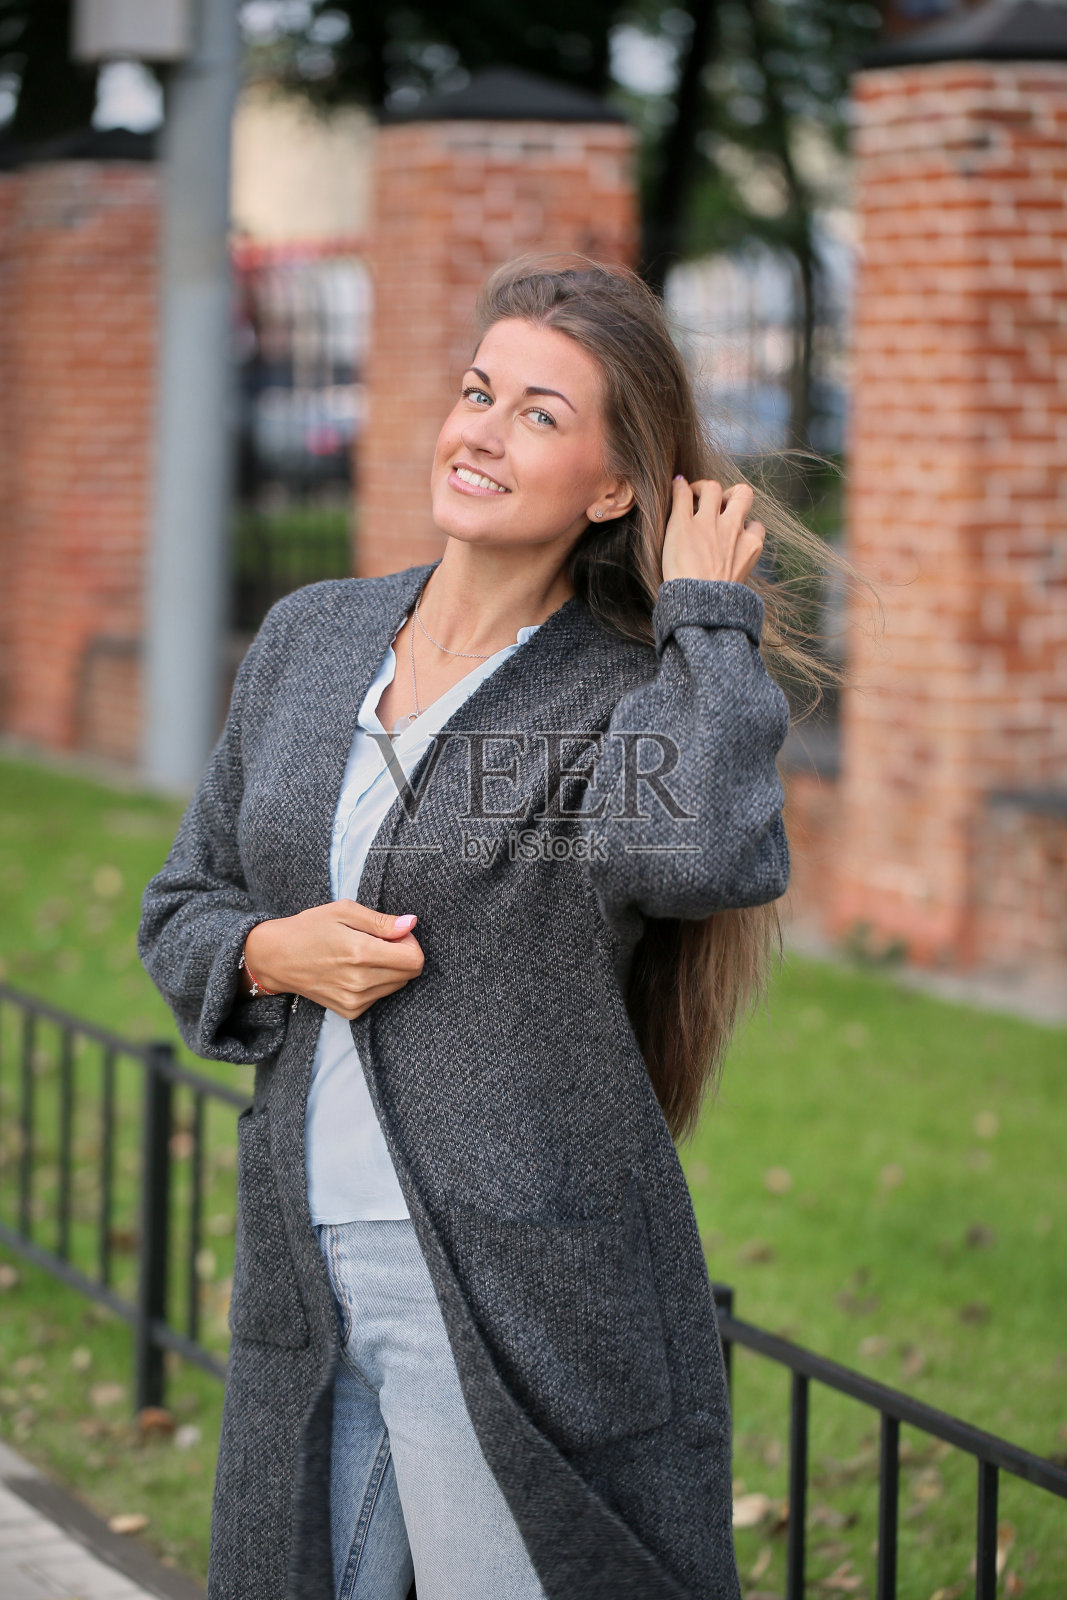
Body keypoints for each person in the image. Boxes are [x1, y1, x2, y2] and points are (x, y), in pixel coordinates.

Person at [138, 256, 840, 1600]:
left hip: (522, 1289)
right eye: (478, 392)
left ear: (613, 487)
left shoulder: (616, 699)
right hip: (307, 1263)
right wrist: (264, 953)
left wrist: (706, 615)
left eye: (538, 414)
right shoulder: (310, 639)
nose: (479, 431)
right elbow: (185, 904)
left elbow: (698, 851)